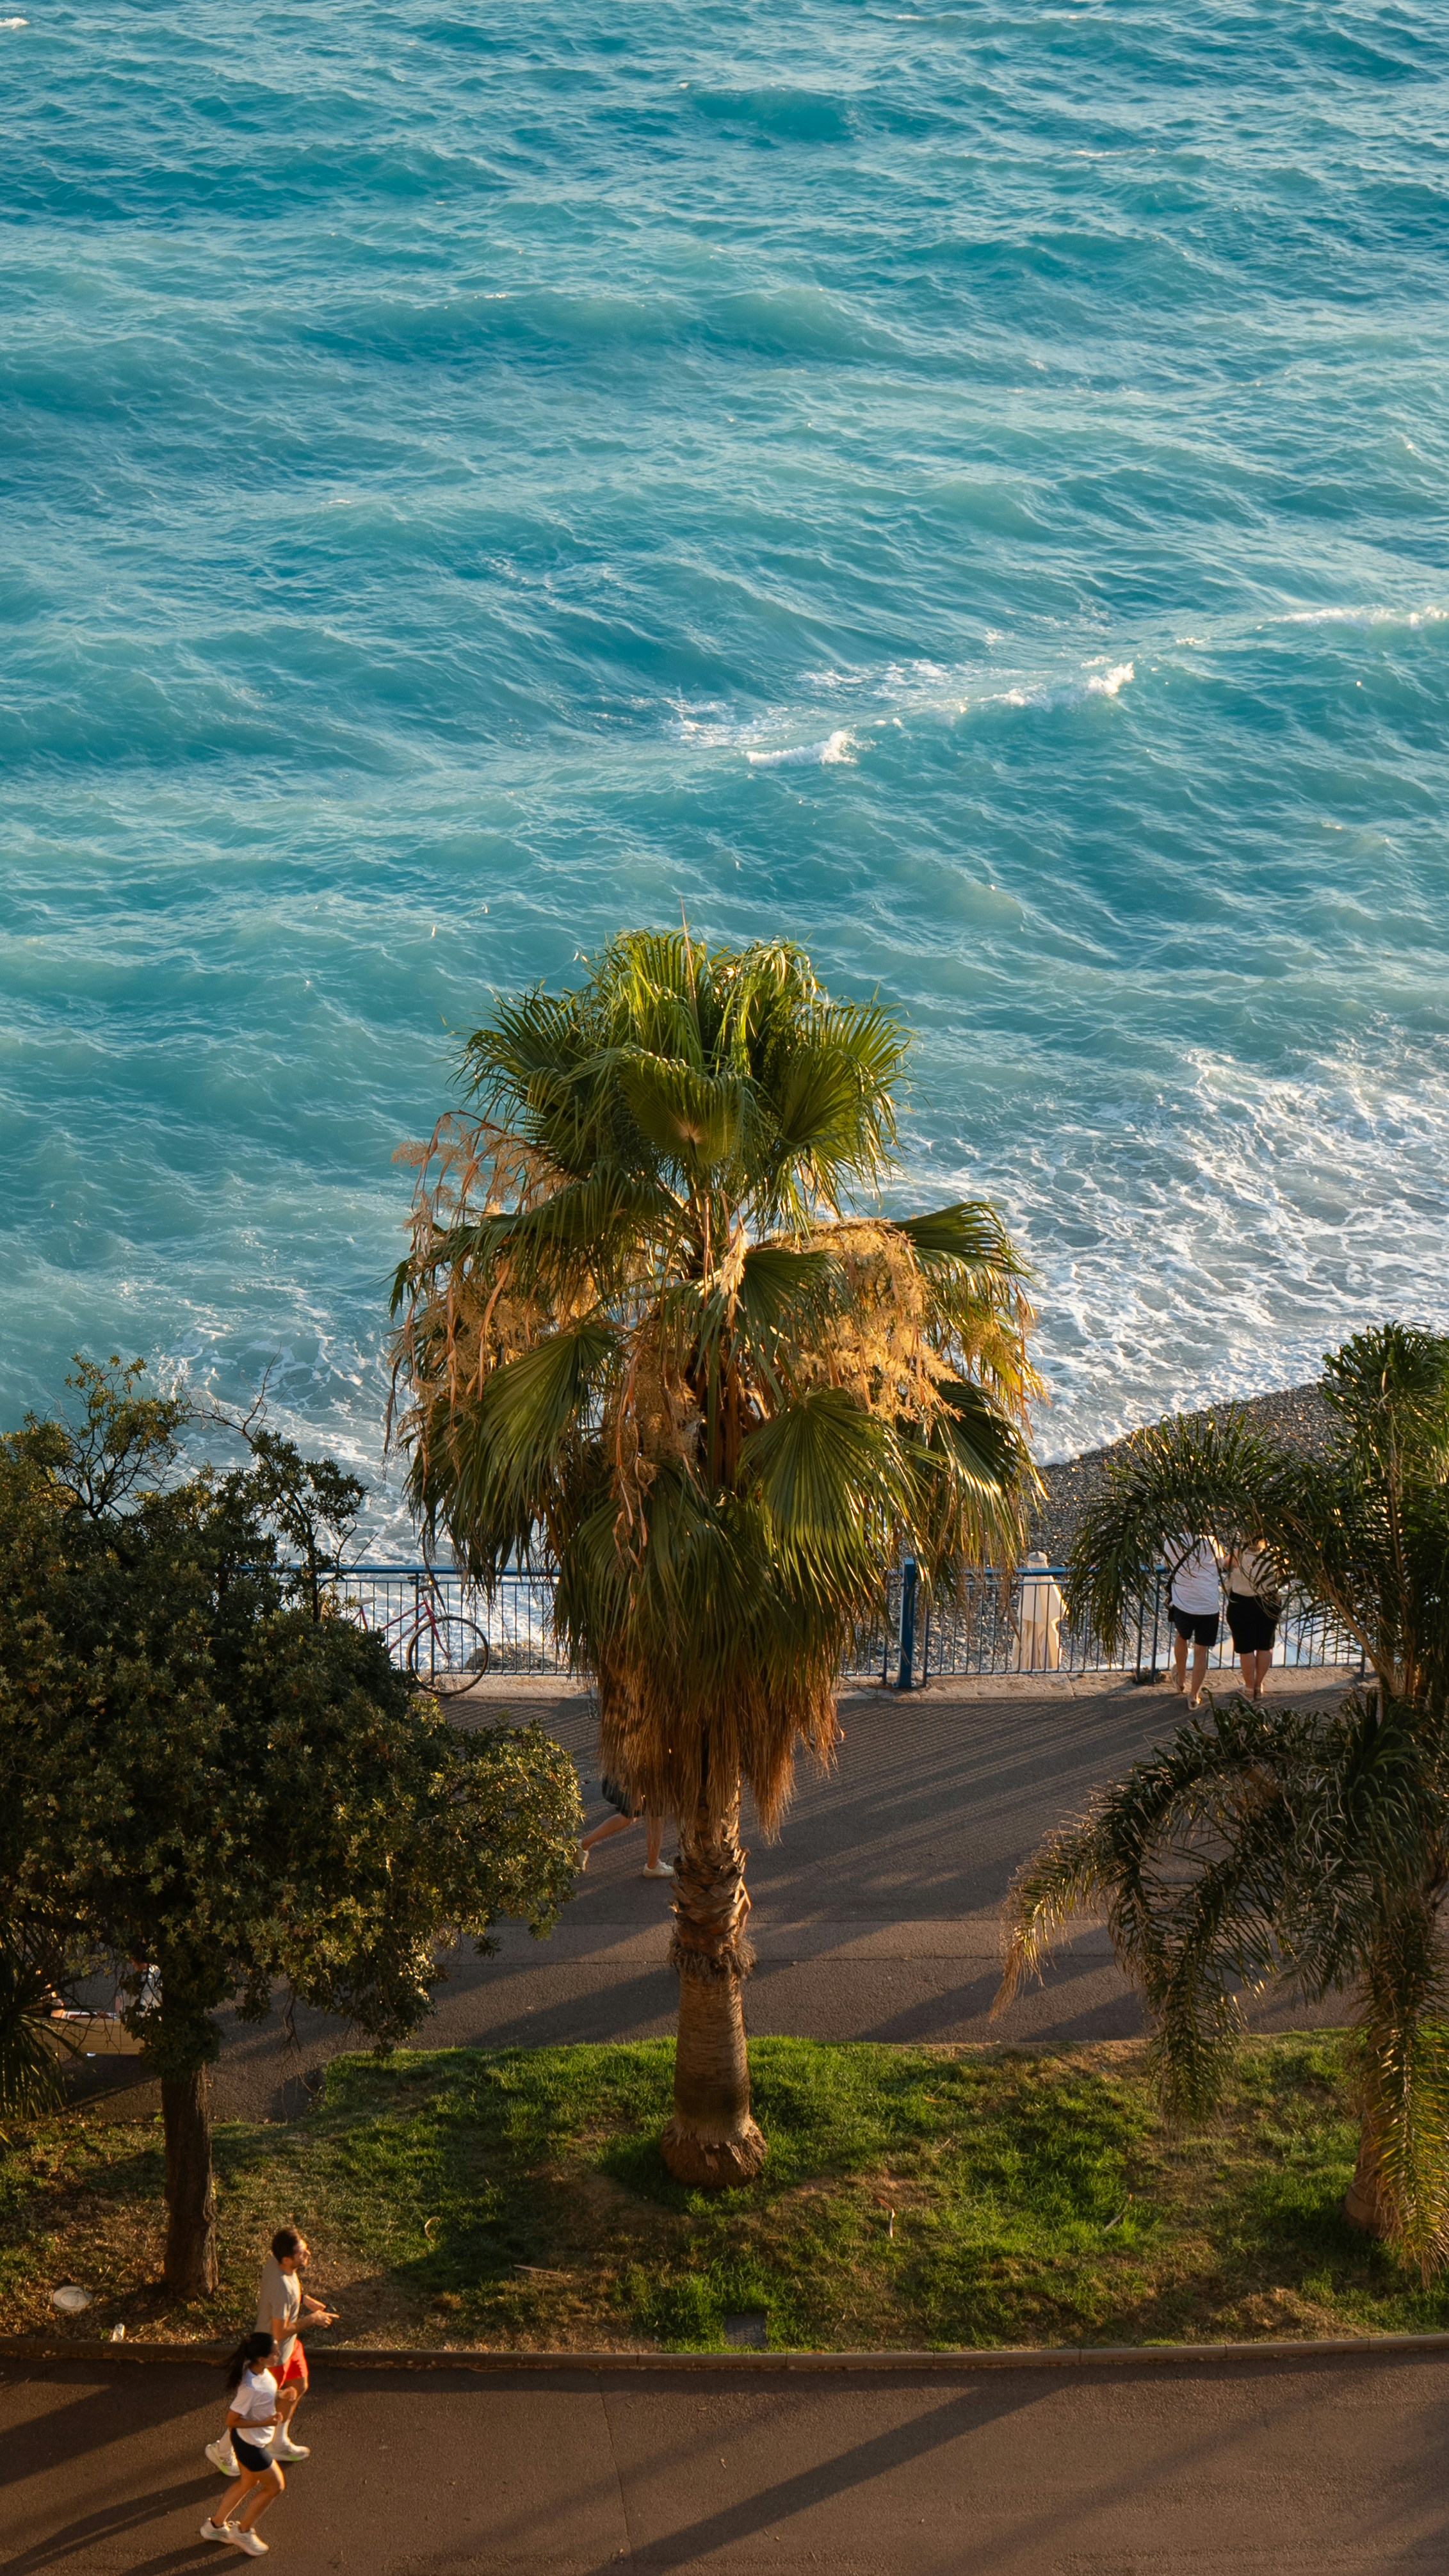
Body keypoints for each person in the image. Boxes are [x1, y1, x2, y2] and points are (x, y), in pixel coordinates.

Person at [207, 2228, 336, 2477]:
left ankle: (277, 2442)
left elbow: (286, 2295)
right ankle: (221, 2451)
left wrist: (304, 2299)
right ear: (287, 2259)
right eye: (301, 2253)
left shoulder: (275, 2264)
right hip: (274, 2354)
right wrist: (312, 2318)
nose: (307, 2254)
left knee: (298, 2385)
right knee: (254, 2409)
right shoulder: (283, 2288)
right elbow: (280, 2330)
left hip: (290, 2348)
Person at [199, 2331, 287, 2556]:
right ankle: (243, 2531)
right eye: (275, 2352)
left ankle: (215, 2527)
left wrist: (280, 2394)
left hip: (251, 2441)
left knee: (247, 2483)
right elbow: (231, 2421)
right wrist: (266, 2421)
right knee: (275, 2486)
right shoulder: (250, 2387)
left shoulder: (259, 2372)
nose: (278, 2354)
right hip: (251, 2446)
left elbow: (263, 2396)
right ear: (261, 2358)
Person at [1165, 1534, 1224, 1710]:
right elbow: (1221, 1564)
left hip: (1185, 1603)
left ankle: (1181, 1680)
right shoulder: (1212, 1541)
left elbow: (1167, 1563)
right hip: (1208, 1605)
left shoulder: (1173, 1540)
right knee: (1201, 1651)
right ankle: (1194, 1696)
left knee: (1181, 1638)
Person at [578, 1775, 671, 1878]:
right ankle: (653, 1866)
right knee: (656, 1818)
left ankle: (583, 1845)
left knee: (627, 1817)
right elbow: (640, 1761)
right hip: (648, 1780)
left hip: (636, 1780)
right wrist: (637, 1791)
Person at [1224, 1537, 1280, 1703]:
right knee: (1266, 1644)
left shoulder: (1239, 1555)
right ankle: (1258, 1685)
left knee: (1246, 1648)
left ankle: (1249, 1688)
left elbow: (1224, 1563)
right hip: (1269, 1600)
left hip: (1243, 1601)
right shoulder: (1274, 1554)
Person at [1016, 1553, 1065, 1672]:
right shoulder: (1048, 1581)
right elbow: (1058, 1606)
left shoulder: (1028, 1579)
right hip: (1046, 1626)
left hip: (1032, 1626)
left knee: (1031, 1644)